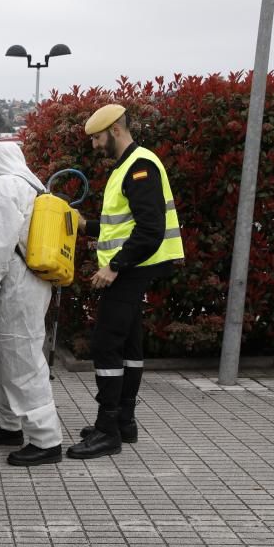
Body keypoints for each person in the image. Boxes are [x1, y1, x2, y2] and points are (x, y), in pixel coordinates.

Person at [67, 104, 185, 459]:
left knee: (105, 343)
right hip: (136, 266)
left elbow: (150, 229)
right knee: (130, 344)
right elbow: (124, 225)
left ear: (116, 130)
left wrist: (114, 266)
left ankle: (107, 430)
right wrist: (85, 225)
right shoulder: (128, 166)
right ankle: (124, 422)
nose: (94, 146)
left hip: (133, 268)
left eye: (98, 138)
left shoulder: (139, 167)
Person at [0, 142, 62, 466]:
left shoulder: (4, 186)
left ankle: (46, 439)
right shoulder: (33, 185)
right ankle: (9, 425)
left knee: (22, 361)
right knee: (6, 359)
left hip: (15, 285)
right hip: (33, 283)